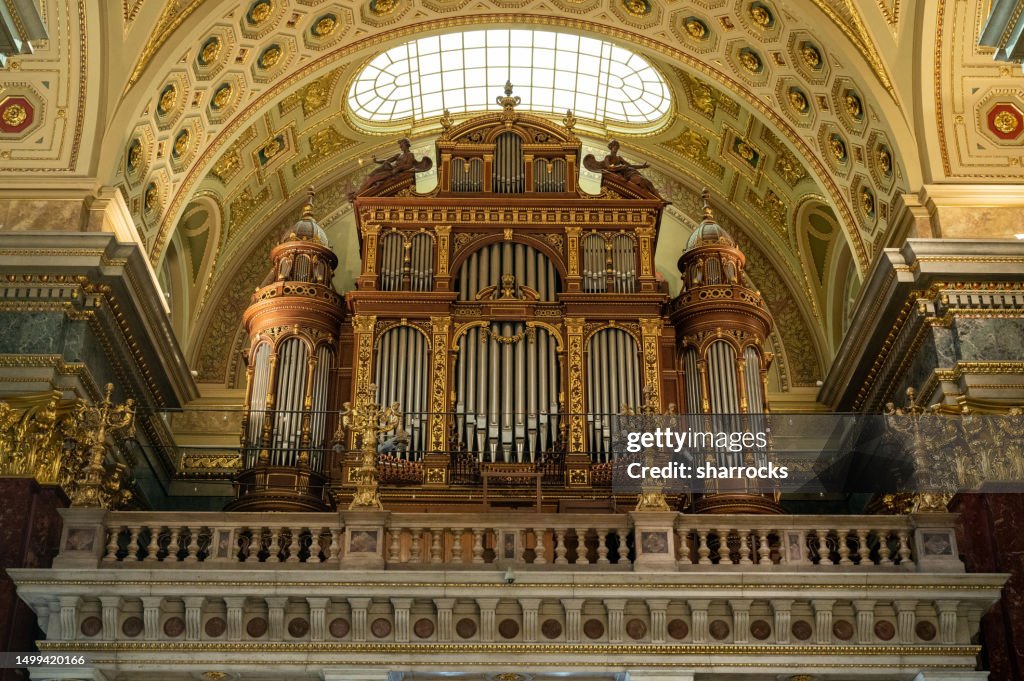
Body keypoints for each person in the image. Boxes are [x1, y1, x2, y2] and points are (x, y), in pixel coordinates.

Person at [348, 138, 432, 199]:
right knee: (370, 176)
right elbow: (387, 160)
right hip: (390, 169)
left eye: (401, 144)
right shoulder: (399, 155)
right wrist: (376, 161)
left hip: (394, 172)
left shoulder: (410, 155)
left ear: (406, 144)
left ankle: (357, 194)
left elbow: (409, 165)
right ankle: (359, 192)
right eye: (400, 145)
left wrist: (399, 168)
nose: (400, 147)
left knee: (373, 179)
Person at [583, 140, 659, 195]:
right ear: (611, 147)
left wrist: (642, 166)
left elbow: (630, 165)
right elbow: (608, 167)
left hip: (625, 174)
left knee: (644, 180)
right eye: (614, 146)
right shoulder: (608, 157)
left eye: (617, 147)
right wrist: (619, 167)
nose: (616, 148)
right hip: (617, 175)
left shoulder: (619, 158)